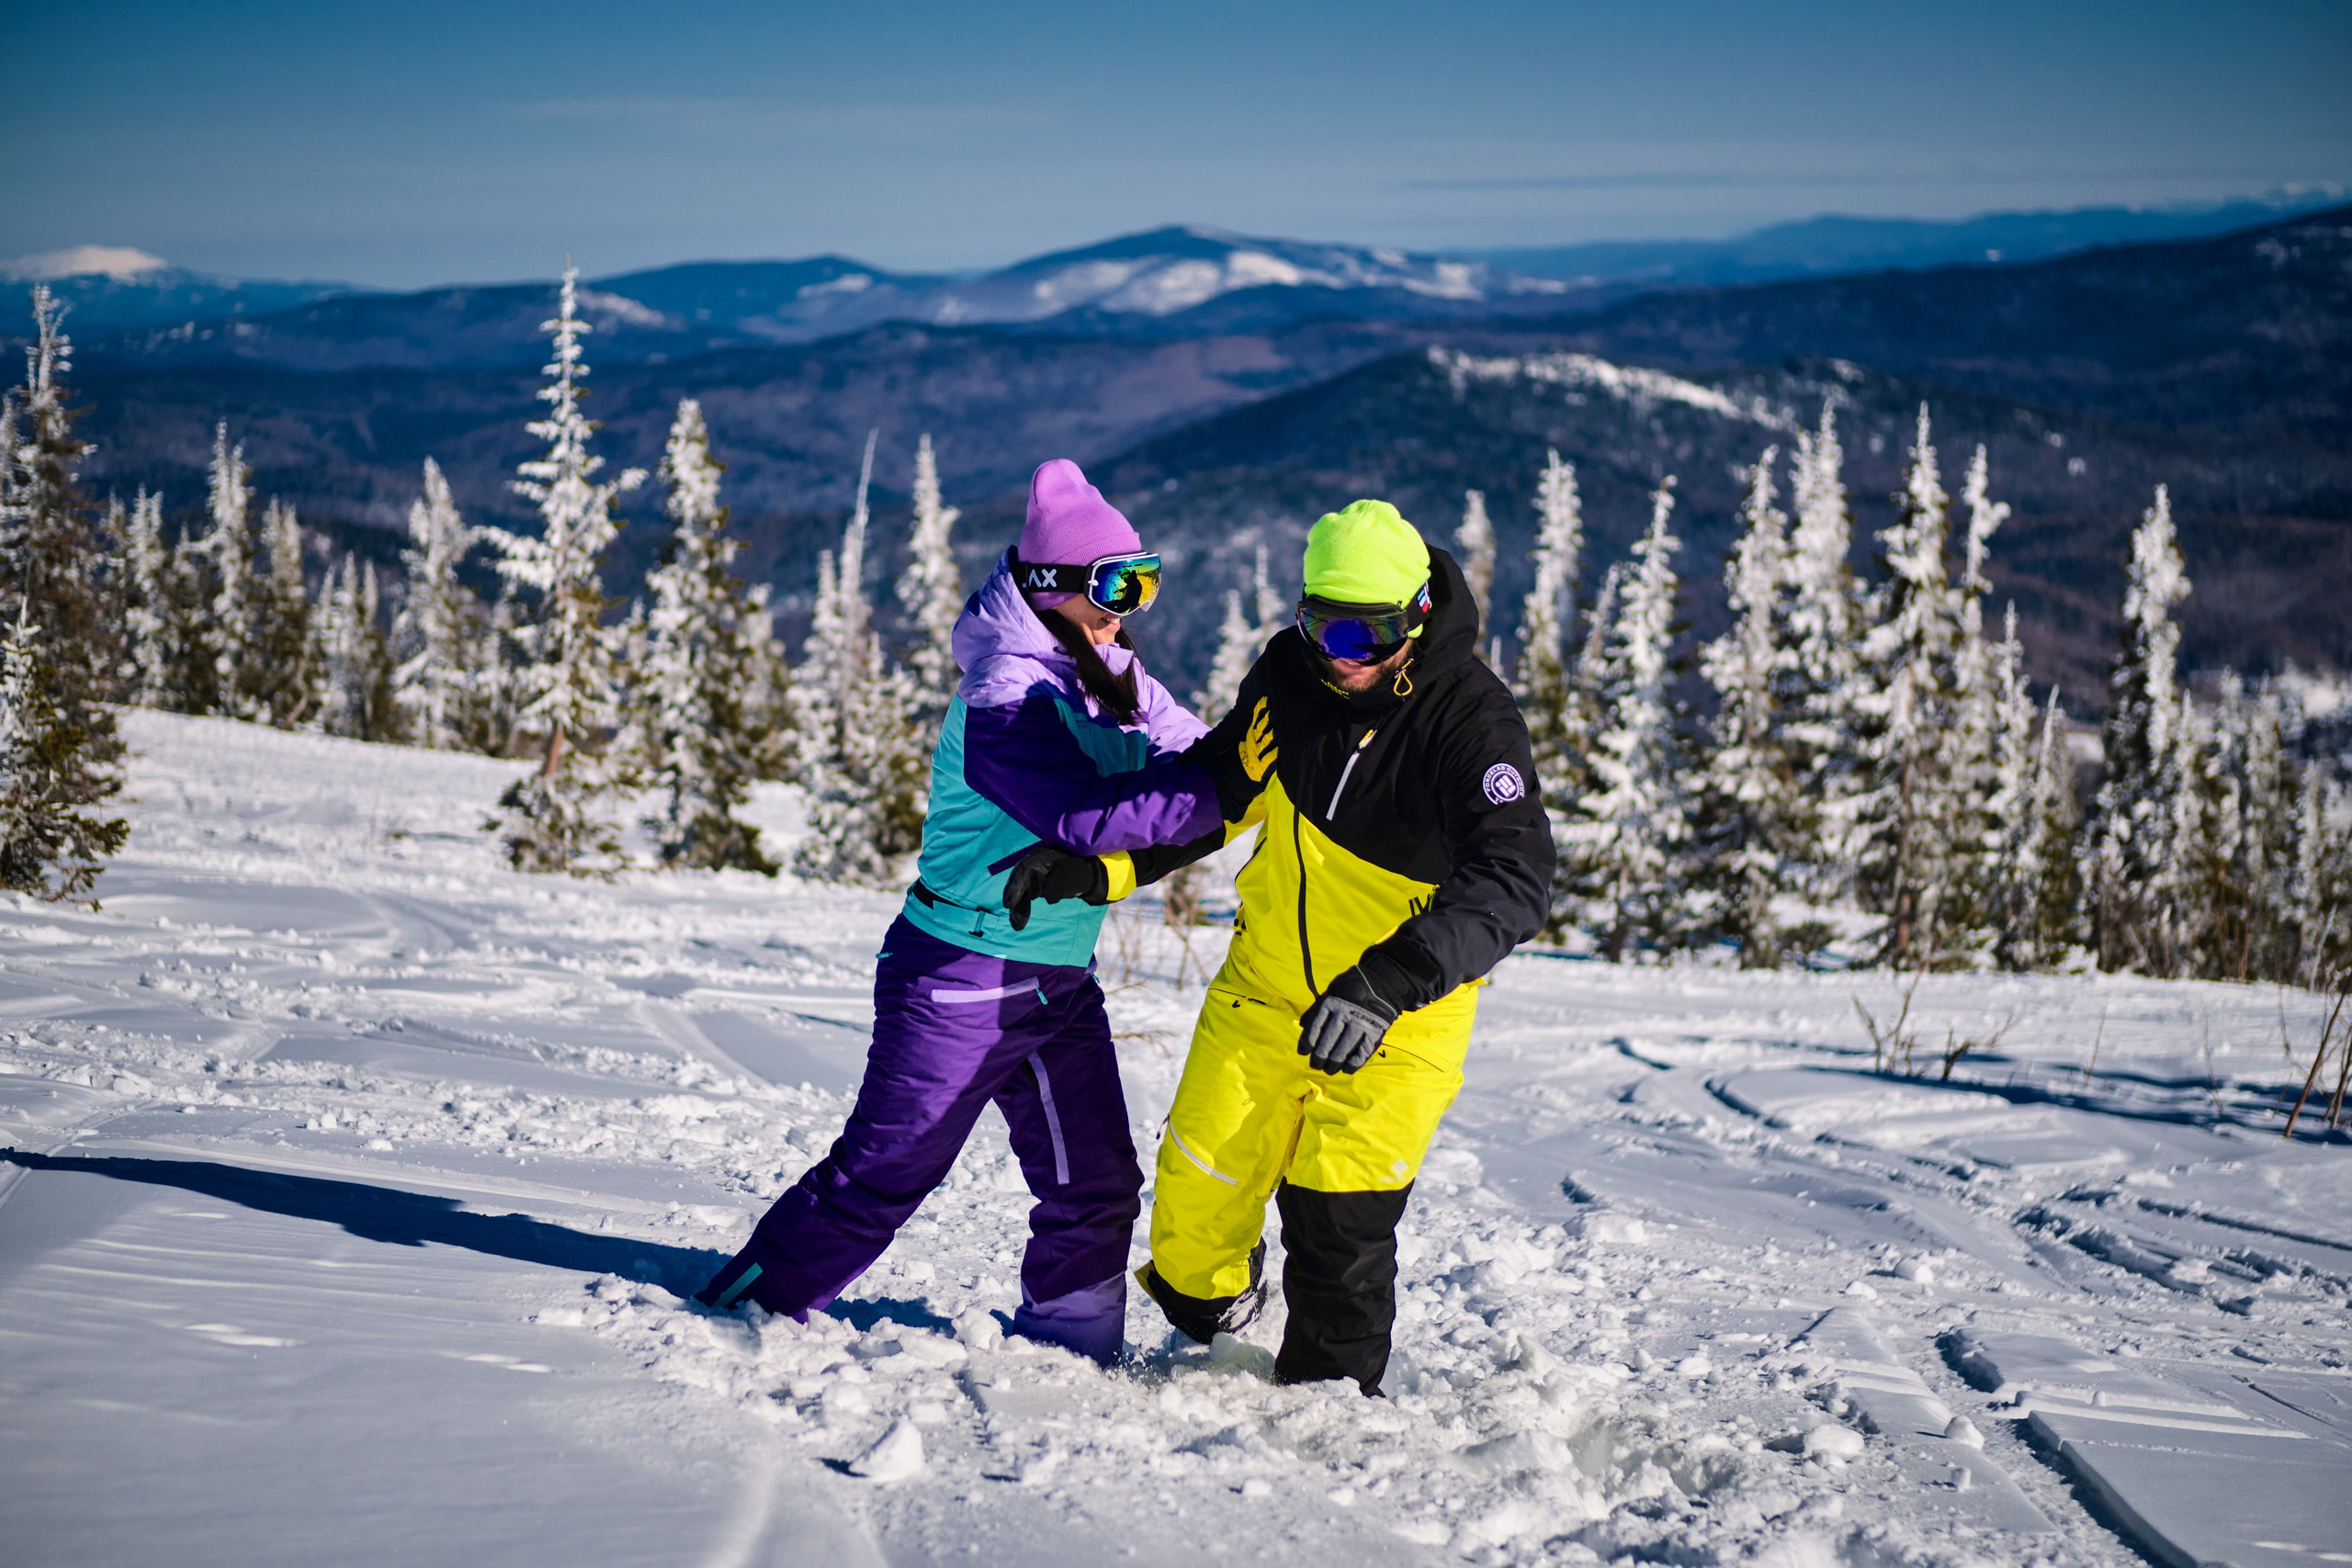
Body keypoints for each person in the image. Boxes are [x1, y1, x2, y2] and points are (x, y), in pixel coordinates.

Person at [695, 458, 1251, 1366]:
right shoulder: (1004, 691)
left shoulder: (1109, 671)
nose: (1128, 609)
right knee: (883, 1175)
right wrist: (1226, 784)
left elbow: (1196, 758)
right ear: (1051, 585)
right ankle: (732, 1318)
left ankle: (1067, 1358)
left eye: (1143, 583)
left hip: (1056, 980)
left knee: (1095, 1183)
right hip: (959, 975)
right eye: (1115, 586)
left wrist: (1251, 758)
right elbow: (1083, 817)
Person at [1031, 499, 1553, 1393]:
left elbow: (1515, 877)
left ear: (1416, 617)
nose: (1339, 655)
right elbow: (1220, 791)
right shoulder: (1291, 674)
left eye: (1365, 634)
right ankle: (1223, 1319)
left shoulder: (1470, 721)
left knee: (1337, 1228)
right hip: (1263, 994)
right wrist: (1107, 868)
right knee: (1191, 1222)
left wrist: (1389, 980)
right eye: (1321, 626)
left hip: (1395, 1019)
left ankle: (1328, 1415)